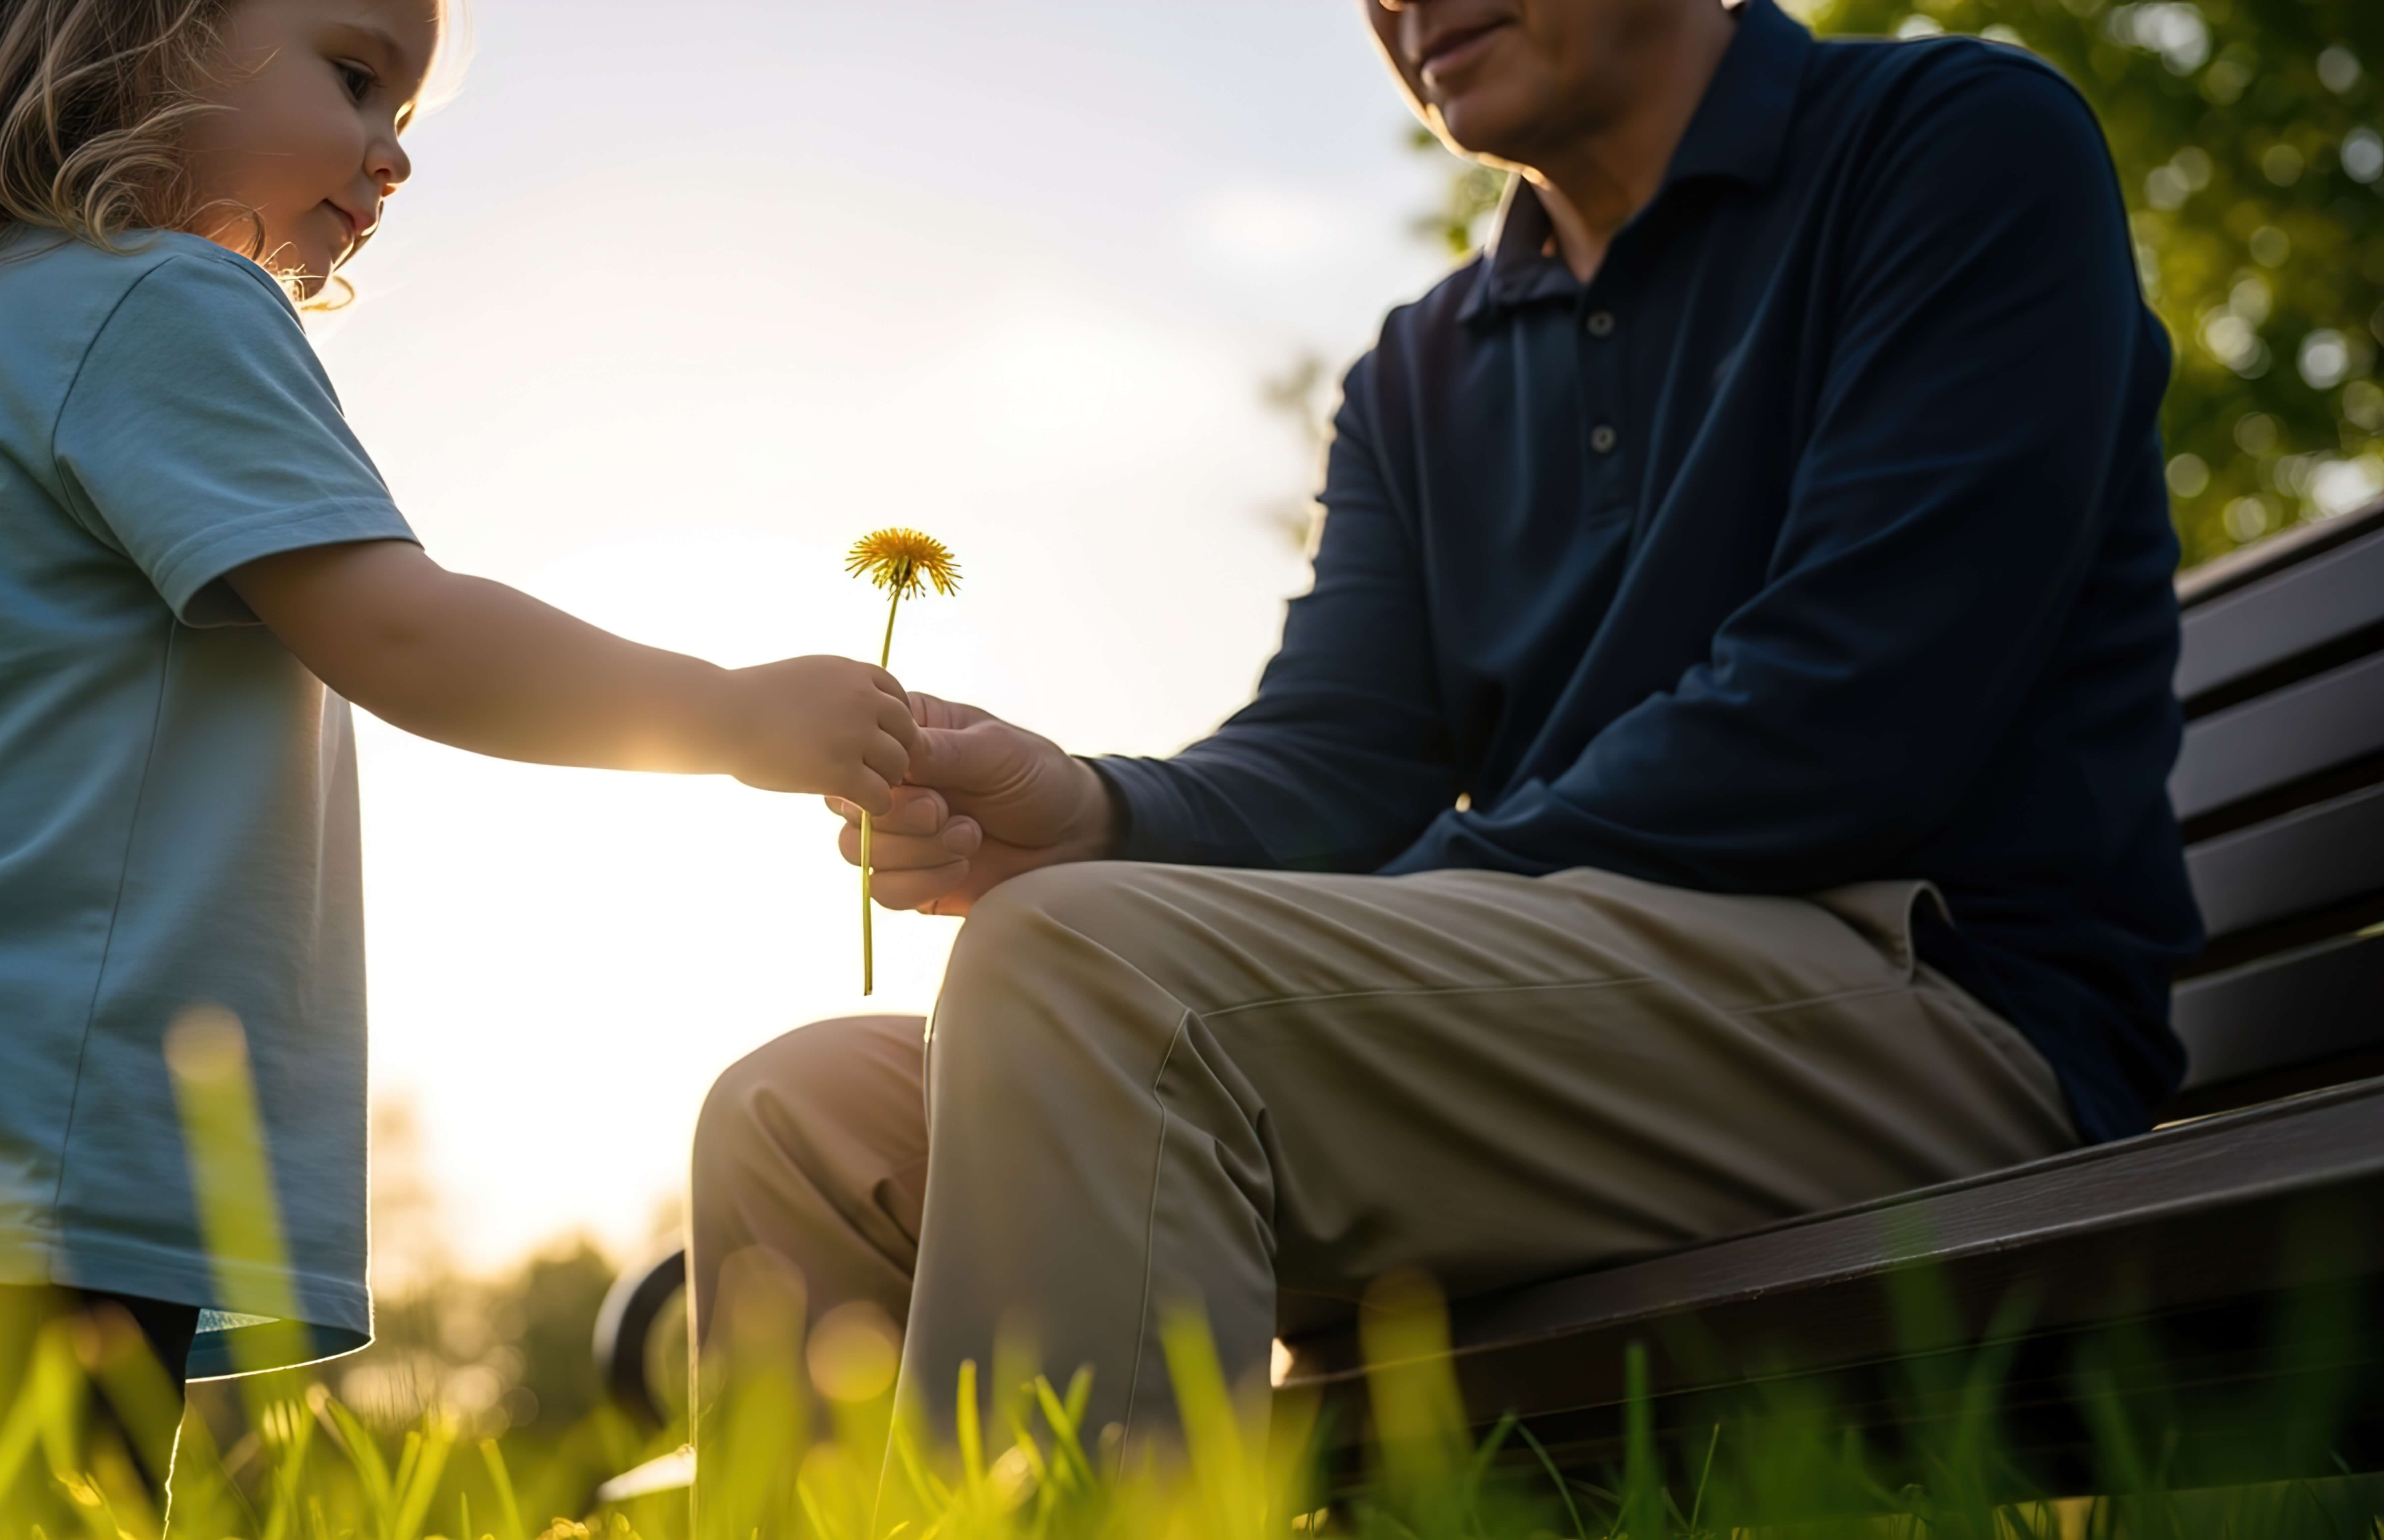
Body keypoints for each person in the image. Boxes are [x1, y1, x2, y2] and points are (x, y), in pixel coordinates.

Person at [691, 0, 2203, 1466]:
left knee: (1092, 971)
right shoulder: (1420, 372)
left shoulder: (1952, 145)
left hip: (1939, 1013)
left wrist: (1364, 909)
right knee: (799, 1117)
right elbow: (1335, 754)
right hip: (1568, 1037)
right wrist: (1093, 810)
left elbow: (1854, 713)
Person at [0, 1, 922, 1535]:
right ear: (126, 37)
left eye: (403, 111)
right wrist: (735, 716)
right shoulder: (154, 299)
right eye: (355, 76)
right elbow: (404, 631)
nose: (393, 154)